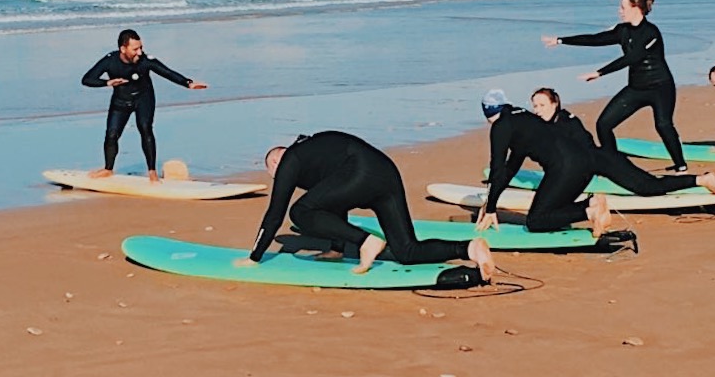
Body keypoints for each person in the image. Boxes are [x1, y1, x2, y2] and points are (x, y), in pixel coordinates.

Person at [236, 131, 494, 279]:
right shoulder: (313, 153)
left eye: (275, 176)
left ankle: (366, 242)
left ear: (275, 163)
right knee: (406, 251)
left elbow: (275, 213)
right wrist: (336, 250)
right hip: (385, 170)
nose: (281, 180)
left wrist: (254, 256)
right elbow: (334, 200)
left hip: (359, 171)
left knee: (299, 211)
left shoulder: (289, 160)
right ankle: (470, 249)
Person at [542, 0, 688, 171]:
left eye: (623, 7)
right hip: (636, 88)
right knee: (604, 124)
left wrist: (600, 72)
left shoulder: (651, 33)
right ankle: (613, 165)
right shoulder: (622, 30)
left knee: (663, 124)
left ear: (636, 8)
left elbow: (632, 57)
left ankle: (680, 164)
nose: (620, 11)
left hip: (660, 87)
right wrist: (560, 40)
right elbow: (595, 39)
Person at [530, 87, 715, 196]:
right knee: (648, 183)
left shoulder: (564, 123)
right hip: (603, 159)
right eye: (535, 106)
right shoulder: (560, 120)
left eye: (542, 105)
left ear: (555, 104)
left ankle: (703, 180)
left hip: (604, 161)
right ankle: (704, 179)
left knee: (647, 187)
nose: (537, 110)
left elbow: (579, 148)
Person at [479, 89, 612, 237]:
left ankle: (590, 212)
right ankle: (592, 203)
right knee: (554, 208)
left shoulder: (501, 126)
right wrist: (491, 203)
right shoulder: (524, 116)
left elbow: (497, 169)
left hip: (565, 167)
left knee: (535, 221)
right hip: (586, 164)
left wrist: (490, 210)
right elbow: (510, 169)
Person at [82, 28, 207, 182]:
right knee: (111, 134)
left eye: (140, 47)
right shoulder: (110, 61)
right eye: (135, 49)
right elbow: (87, 79)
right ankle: (108, 169)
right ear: (123, 49)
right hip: (121, 100)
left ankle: (152, 172)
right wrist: (107, 82)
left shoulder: (145, 60)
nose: (140, 52)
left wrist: (188, 83)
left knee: (145, 129)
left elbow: (167, 72)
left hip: (144, 98)